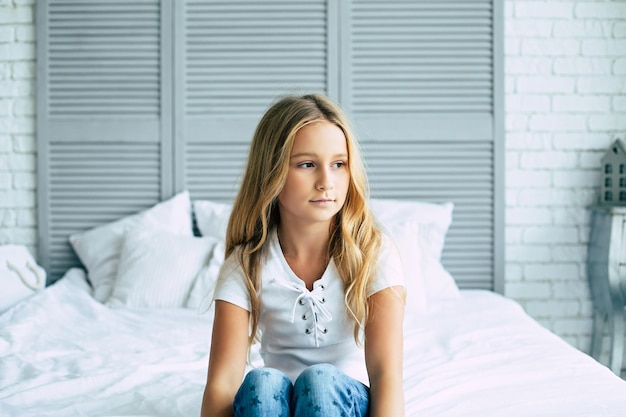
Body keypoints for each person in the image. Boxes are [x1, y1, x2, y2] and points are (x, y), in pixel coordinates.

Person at [200, 93, 406, 417]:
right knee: (263, 382)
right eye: (307, 165)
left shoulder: (373, 253)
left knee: (320, 381)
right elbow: (222, 384)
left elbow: (386, 375)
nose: (327, 182)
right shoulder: (246, 263)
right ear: (272, 173)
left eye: (339, 164)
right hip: (270, 405)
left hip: (343, 402)